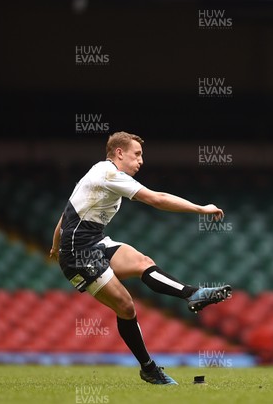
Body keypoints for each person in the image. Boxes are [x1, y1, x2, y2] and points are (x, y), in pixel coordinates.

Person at [49, 131, 232, 385]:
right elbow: (157, 199)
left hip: (94, 240)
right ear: (119, 153)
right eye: (137, 154)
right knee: (126, 306)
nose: (141, 161)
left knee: (142, 261)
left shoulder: (98, 171)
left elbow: (66, 213)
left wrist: (55, 243)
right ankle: (148, 368)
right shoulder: (110, 174)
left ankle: (192, 293)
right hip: (79, 253)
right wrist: (201, 209)